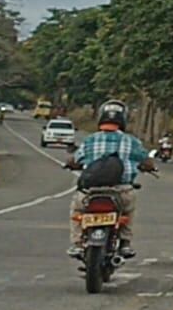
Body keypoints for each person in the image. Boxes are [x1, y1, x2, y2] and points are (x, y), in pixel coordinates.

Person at [66, 99, 156, 259]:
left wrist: (71, 164)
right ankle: (125, 243)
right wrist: (148, 166)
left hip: (90, 191)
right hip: (121, 191)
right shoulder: (131, 141)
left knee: (77, 209)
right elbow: (147, 161)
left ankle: (77, 243)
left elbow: (75, 160)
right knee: (128, 210)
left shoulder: (90, 140)